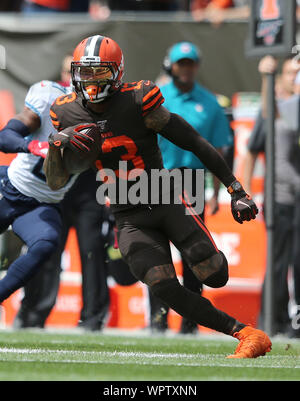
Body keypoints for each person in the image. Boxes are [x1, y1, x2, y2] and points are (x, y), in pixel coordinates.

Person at [44, 34, 272, 358]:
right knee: (164, 286)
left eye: (100, 73)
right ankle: (246, 333)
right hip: (127, 213)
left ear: (118, 72)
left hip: (165, 198)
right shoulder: (65, 113)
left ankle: (208, 274)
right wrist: (57, 148)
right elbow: (55, 181)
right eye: (86, 73)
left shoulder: (138, 98)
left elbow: (193, 140)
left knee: (215, 274)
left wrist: (235, 189)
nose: (92, 83)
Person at [13, 55, 110, 331]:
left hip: (88, 187)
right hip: (53, 189)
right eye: (69, 71)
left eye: (77, 71)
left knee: (92, 253)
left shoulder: (96, 102)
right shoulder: (50, 98)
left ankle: (93, 318)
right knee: (45, 251)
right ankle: (32, 313)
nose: (73, 77)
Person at [150, 41, 233, 334]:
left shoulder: (210, 103)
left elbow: (218, 149)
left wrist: (215, 190)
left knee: (194, 253)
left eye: (190, 63)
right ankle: (157, 318)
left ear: (196, 66)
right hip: (157, 179)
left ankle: (191, 322)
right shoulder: (156, 97)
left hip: (194, 180)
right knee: (156, 251)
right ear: (171, 66)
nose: (186, 68)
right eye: (181, 63)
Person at [0, 80, 79, 304]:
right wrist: (33, 146)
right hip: (9, 188)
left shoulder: (108, 122)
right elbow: (5, 137)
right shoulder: (48, 100)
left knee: (46, 242)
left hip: (43, 204)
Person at [243, 55, 300, 336]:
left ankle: (294, 322)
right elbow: (252, 152)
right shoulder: (270, 110)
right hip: (279, 198)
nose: (295, 77)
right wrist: (246, 192)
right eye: (291, 72)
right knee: (277, 262)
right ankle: (272, 319)